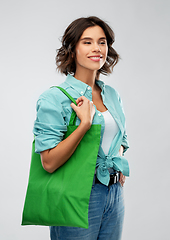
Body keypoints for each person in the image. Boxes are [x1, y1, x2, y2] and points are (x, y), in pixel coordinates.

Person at [33, 16, 129, 240]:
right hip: (76, 193)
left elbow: (122, 138)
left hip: (114, 194)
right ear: (72, 49)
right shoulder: (54, 98)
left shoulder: (112, 95)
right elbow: (48, 162)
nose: (97, 48)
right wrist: (84, 124)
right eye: (87, 42)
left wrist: (117, 159)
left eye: (102, 42)